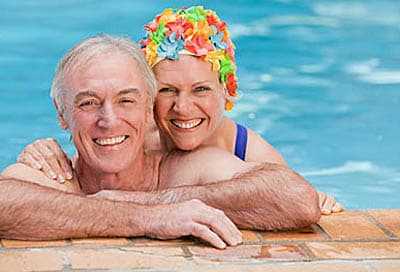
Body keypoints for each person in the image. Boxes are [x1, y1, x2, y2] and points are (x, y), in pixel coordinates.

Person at [0, 34, 321, 249]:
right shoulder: (56, 174)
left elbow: (297, 199)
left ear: (149, 110)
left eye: (126, 100)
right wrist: (149, 218)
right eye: (88, 103)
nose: (108, 120)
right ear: (61, 115)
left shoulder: (187, 168)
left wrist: (154, 200)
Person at [16, 6, 343, 214]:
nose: (183, 108)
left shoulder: (246, 147)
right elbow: (98, 130)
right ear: (149, 100)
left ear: (226, 90)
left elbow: (292, 196)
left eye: (201, 89)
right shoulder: (133, 132)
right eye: (167, 91)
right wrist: (43, 148)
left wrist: (318, 198)